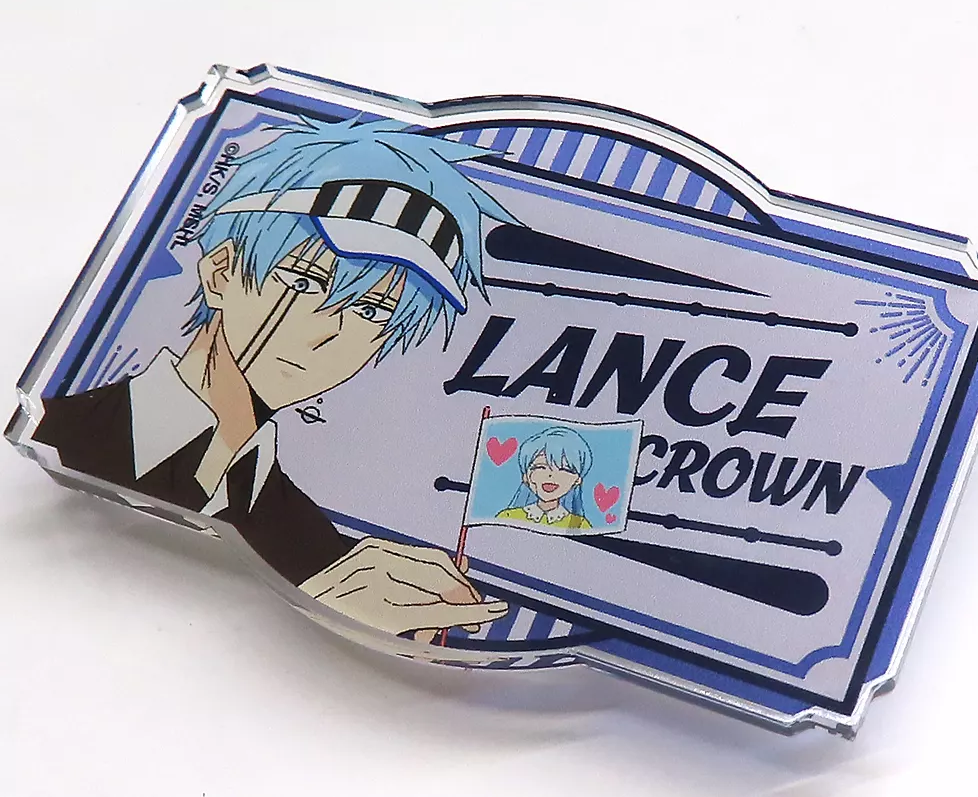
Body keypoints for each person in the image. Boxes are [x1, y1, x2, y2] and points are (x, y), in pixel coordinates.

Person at [34, 116, 518, 640]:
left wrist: (332, 591)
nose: (332, 331)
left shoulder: (311, 537)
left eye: (373, 311)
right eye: (305, 281)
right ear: (221, 272)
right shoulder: (60, 430)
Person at [497, 427, 593, 530]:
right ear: (526, 476)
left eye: (564, 469)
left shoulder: (581, 526)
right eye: (540, 467)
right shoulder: (508, 518)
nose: (550, 475)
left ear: (577, 480)